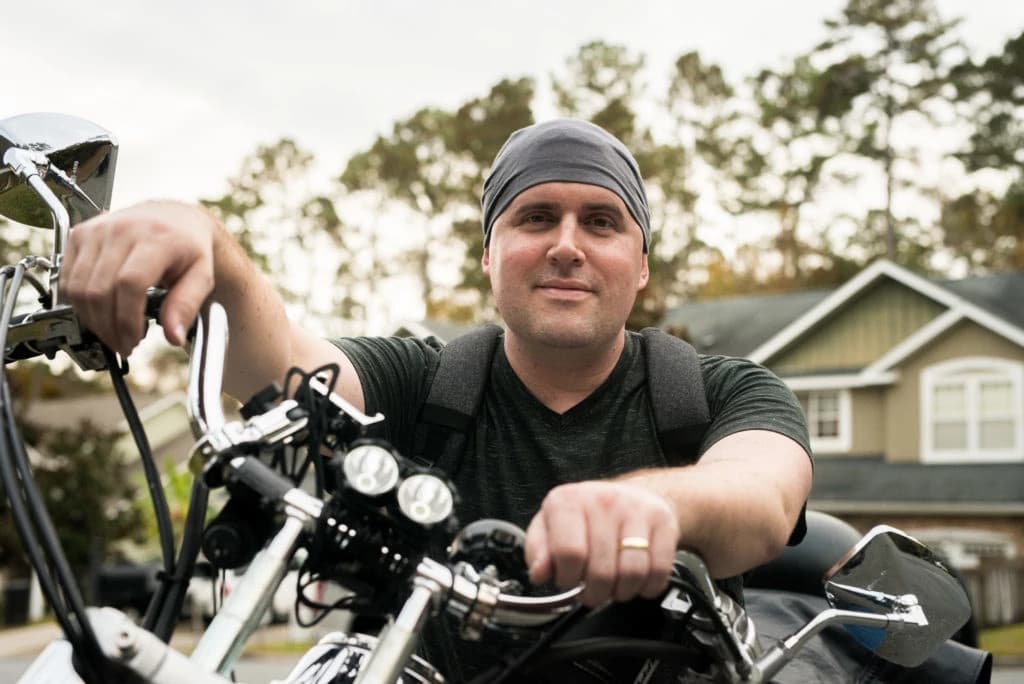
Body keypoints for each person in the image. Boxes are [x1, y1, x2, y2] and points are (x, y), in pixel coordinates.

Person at [60, 118, 813, 680]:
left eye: (603, 222)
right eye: (536, 216)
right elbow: (284, 365)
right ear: (490, 256)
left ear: (640, 266)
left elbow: (761, 495)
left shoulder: (718, 390)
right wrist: (208, 244)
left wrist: (659, 506)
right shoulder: (423, 381)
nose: (567, 245)